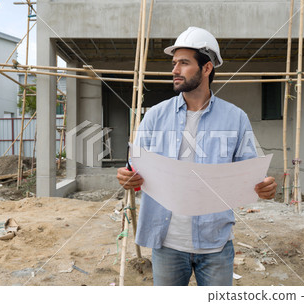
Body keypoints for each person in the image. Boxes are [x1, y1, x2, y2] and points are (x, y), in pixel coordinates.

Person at [116, 27, 277, 286]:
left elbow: (251, 174)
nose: (175, 69)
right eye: (174, 63)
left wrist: (265, 186)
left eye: (184, 63)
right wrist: (127, 177)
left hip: (215, 244)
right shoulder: (155, 115)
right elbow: (133, 167)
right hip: (167, 243)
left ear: (207, 68)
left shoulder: (235, 118)